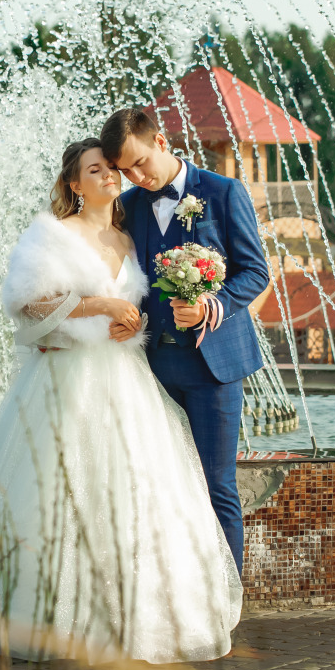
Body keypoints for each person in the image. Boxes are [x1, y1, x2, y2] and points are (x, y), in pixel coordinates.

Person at [0, 138, 242, 663]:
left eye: (112, 169)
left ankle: (136, 619)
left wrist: (128, 321)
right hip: (66, 381)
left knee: (137, 491)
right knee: (57, 494)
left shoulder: (129, 235)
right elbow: (26, 304)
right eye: (96, 170)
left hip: (126, 379)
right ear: (74, 183)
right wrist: (101, 303)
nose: (110, 177)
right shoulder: (51, 234)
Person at [101, 108, 271, 574]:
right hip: (152, 368)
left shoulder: (221, 192)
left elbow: (256, 272)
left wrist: (211, 306)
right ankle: (180, 593)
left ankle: (227, 598)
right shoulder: (130, 206)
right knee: (165, 484)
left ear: (160, 141)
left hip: (211, 368)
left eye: (139, 163)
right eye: (125, 171)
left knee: (218, 485)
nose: (136, 177)